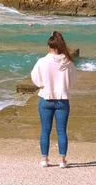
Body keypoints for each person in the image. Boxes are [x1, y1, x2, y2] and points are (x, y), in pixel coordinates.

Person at [31, 31, 78, 168]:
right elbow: (73, 80)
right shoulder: (69, 62)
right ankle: (62, 160)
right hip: (62, 100)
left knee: (45, 130)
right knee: (62, 131)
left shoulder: (42, 61)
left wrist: (42, 85)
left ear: (49, 46)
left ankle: (45, 159)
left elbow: (35, 77)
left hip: (46, 98)